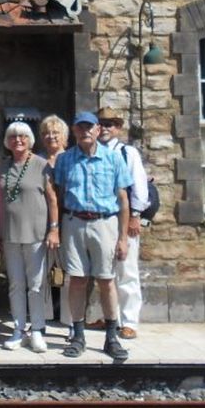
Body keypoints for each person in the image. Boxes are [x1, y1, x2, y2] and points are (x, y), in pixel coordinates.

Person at [46, 111, 132, 361]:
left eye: (89, 127)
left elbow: (123, 200)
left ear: (97, 130)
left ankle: (111, 337)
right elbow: (58, 196)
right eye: (80, 127)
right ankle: (78, 335)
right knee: (77, 279)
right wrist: (56, 227)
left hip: (105, 222)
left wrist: (123, 237)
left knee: (106, 280)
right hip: (74, 221)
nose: (85, 131)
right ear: (74, 131)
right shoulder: (65, 160)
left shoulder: (113, 158)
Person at [0, 121, 55, 354]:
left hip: (36, 233)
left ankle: (37, 328)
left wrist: (54, 229)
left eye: (22, 136)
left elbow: (52, 199)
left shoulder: (42, 165)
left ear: (30, 140)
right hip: (10, 234)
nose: (18, 140)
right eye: (13, 136)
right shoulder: (2, 167)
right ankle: (18, 328)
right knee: (16, 284)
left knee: (36, 285)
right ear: (7, 141)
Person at [96, 106, 148, 341]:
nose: (104, 128)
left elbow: (139, 186)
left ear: (117, 127)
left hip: (124, 218)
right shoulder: (91, 151)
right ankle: (110, 317)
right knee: (104, 271)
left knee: (126, 270)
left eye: (109, 124)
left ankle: (129, 322)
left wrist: (135, 215)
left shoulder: (128, 153)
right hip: (100, 219)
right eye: (100, 124)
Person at [38, 114, 71, 327]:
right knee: (42, 270)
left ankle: (68, 317)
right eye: (47, 133)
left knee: (66, 268)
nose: (51, 136)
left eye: (56, 132)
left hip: (66, 220)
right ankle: (45, 315)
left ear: (64, 137)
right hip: (40, 221)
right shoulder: (37, 161)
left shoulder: (70, 159)